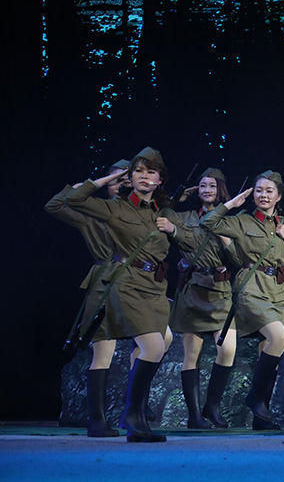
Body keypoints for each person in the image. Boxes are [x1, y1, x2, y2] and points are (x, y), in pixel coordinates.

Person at [66, 147, 194, 442]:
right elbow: (72, 200)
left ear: (160, 179)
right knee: (153, 347)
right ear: (130, 177)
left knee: (158, 345)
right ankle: (132, 417)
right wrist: (108, 178)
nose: (144, 176)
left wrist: (174, 230)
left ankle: (134, 416)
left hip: (155, 287)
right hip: (126, 282)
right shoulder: (117, 208)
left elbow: (193, 243)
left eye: (151, 172)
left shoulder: (165, 213)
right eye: (138, 171)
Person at [200, 170, 284, 431]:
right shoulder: (242, 221)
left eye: (269, 191)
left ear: (279, 196)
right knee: (279, 338)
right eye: (258, 190)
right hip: (251, 286)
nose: (263, 195)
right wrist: (231, 204)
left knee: (270, 350)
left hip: (278, 292)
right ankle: (255, 397)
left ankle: (261, 417)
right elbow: (208, 222)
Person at [45, 159, 130, 437]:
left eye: (126, 181)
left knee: (158, 339)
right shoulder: (93, 213)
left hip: (137, 283)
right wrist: (89, 184)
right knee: (103, 349)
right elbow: (54, 206)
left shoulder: (142, 212)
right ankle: (97, 419)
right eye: (116, 181)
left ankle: (135, 408)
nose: (121, 186)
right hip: (105, 280)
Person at [169, 168, 236, 429]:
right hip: (192, 287)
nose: (207, 190)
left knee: (227, 349)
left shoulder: (231, 219)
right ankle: (194, 415)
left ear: (221, 190)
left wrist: (224, 236)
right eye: (203, 186)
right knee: (191, 353)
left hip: (219, 288)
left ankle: (212, 405)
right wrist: (178, 199)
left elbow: (240, 256)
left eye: (212, 186)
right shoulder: (185, 217)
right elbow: (158, 215)